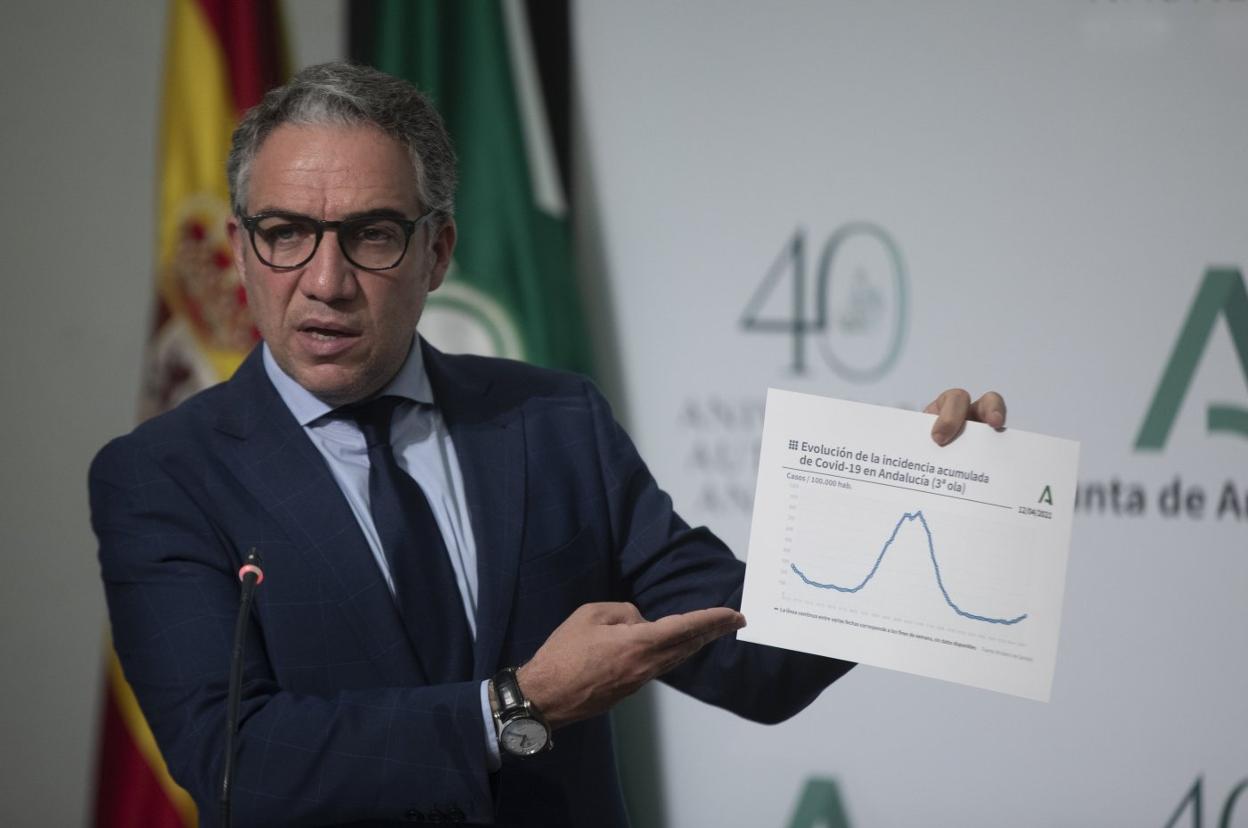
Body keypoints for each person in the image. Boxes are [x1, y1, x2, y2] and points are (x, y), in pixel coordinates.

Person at [90, 62, 1007, 827]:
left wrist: (911, 503)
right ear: (245, 250)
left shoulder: (553, 421)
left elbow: (745, 656)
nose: (324, 281)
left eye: (371, 235)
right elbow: (232, 760)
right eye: (286, 235)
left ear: (437, 253)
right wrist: (513, 708)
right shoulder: (161, 476)